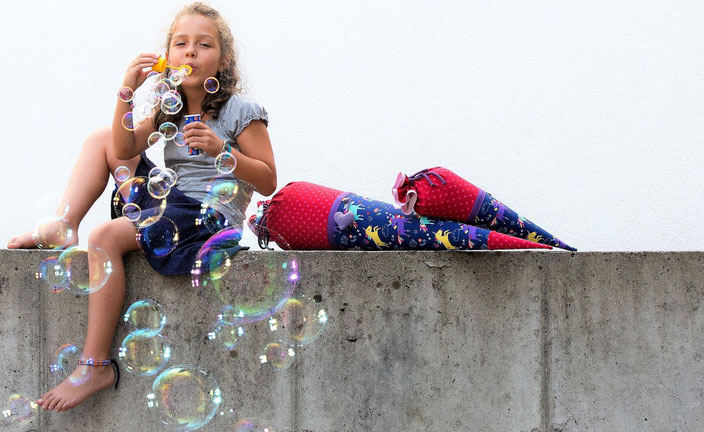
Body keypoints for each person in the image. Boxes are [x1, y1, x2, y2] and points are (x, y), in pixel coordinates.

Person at [6, 2, 276, 412]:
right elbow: (122, 148)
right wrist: (127, 91)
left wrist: (224, 150)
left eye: (203, 45)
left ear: (223, 59)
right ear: (169, 56)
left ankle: (95, 365)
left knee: (105, 236)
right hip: (176, 205)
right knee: (102, 138)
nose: (190, 52)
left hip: (208, 218)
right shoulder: (171, 105)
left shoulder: (240, 111)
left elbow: (269, 179)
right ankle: (62, 225)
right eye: (181, 44)